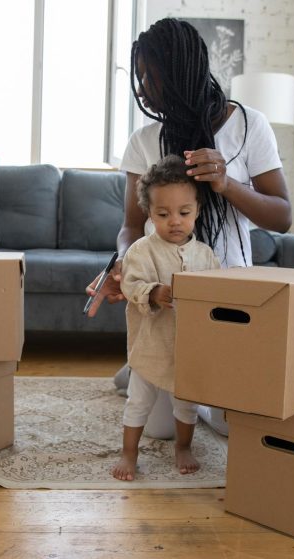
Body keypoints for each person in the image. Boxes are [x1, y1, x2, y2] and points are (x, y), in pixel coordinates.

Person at [86, 17, 292, 438]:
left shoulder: (250, 125)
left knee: (231, 427)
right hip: (166, 296)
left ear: (182, 70)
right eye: (138, 78)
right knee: (161, 431)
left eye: (149, 76)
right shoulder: (144, 141)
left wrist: (226, 183)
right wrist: (123, 265)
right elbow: (130, 226)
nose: (141, 90)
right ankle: (146, 366)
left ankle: (163, 376)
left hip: (227, 289)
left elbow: (283, 216)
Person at [111, 155, 220, 481]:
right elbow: (131, 285)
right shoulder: (142, 251)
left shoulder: (205, 255)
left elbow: (217, 294)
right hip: (151, 347)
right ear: (149, 214)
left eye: (184, 213)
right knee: (138, 402)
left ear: (197, 210)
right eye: (163, 214)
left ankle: (183, 447)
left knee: (186, 406)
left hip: (189, 351)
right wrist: (155, 291)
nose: (175, 221)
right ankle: (129, 453)